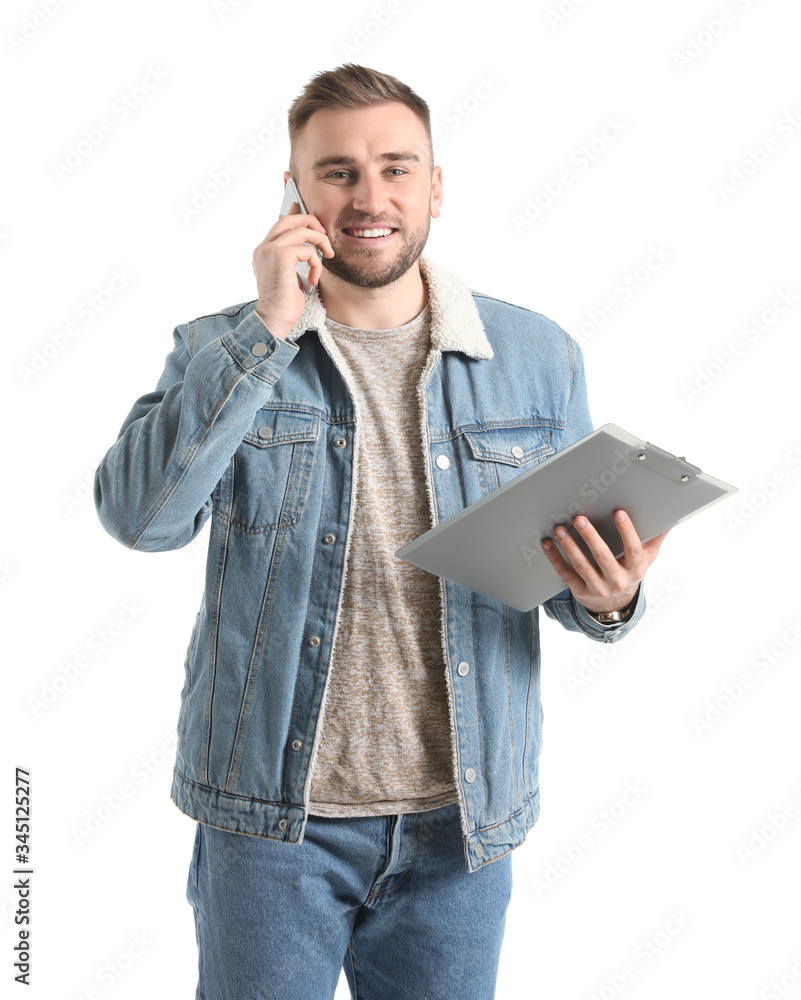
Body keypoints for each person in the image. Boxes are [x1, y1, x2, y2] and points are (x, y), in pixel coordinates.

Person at [94, 63, 668, 1000]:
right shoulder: (222, 349)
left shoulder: (536, 357)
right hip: (272, 828)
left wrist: (611, 600)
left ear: (436, 187)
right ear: (294, 192)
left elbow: (566, 579)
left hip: (461, 831)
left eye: (397, 168)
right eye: (338, 172)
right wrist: (268, 330)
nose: (371, 197)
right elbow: (142, 521)